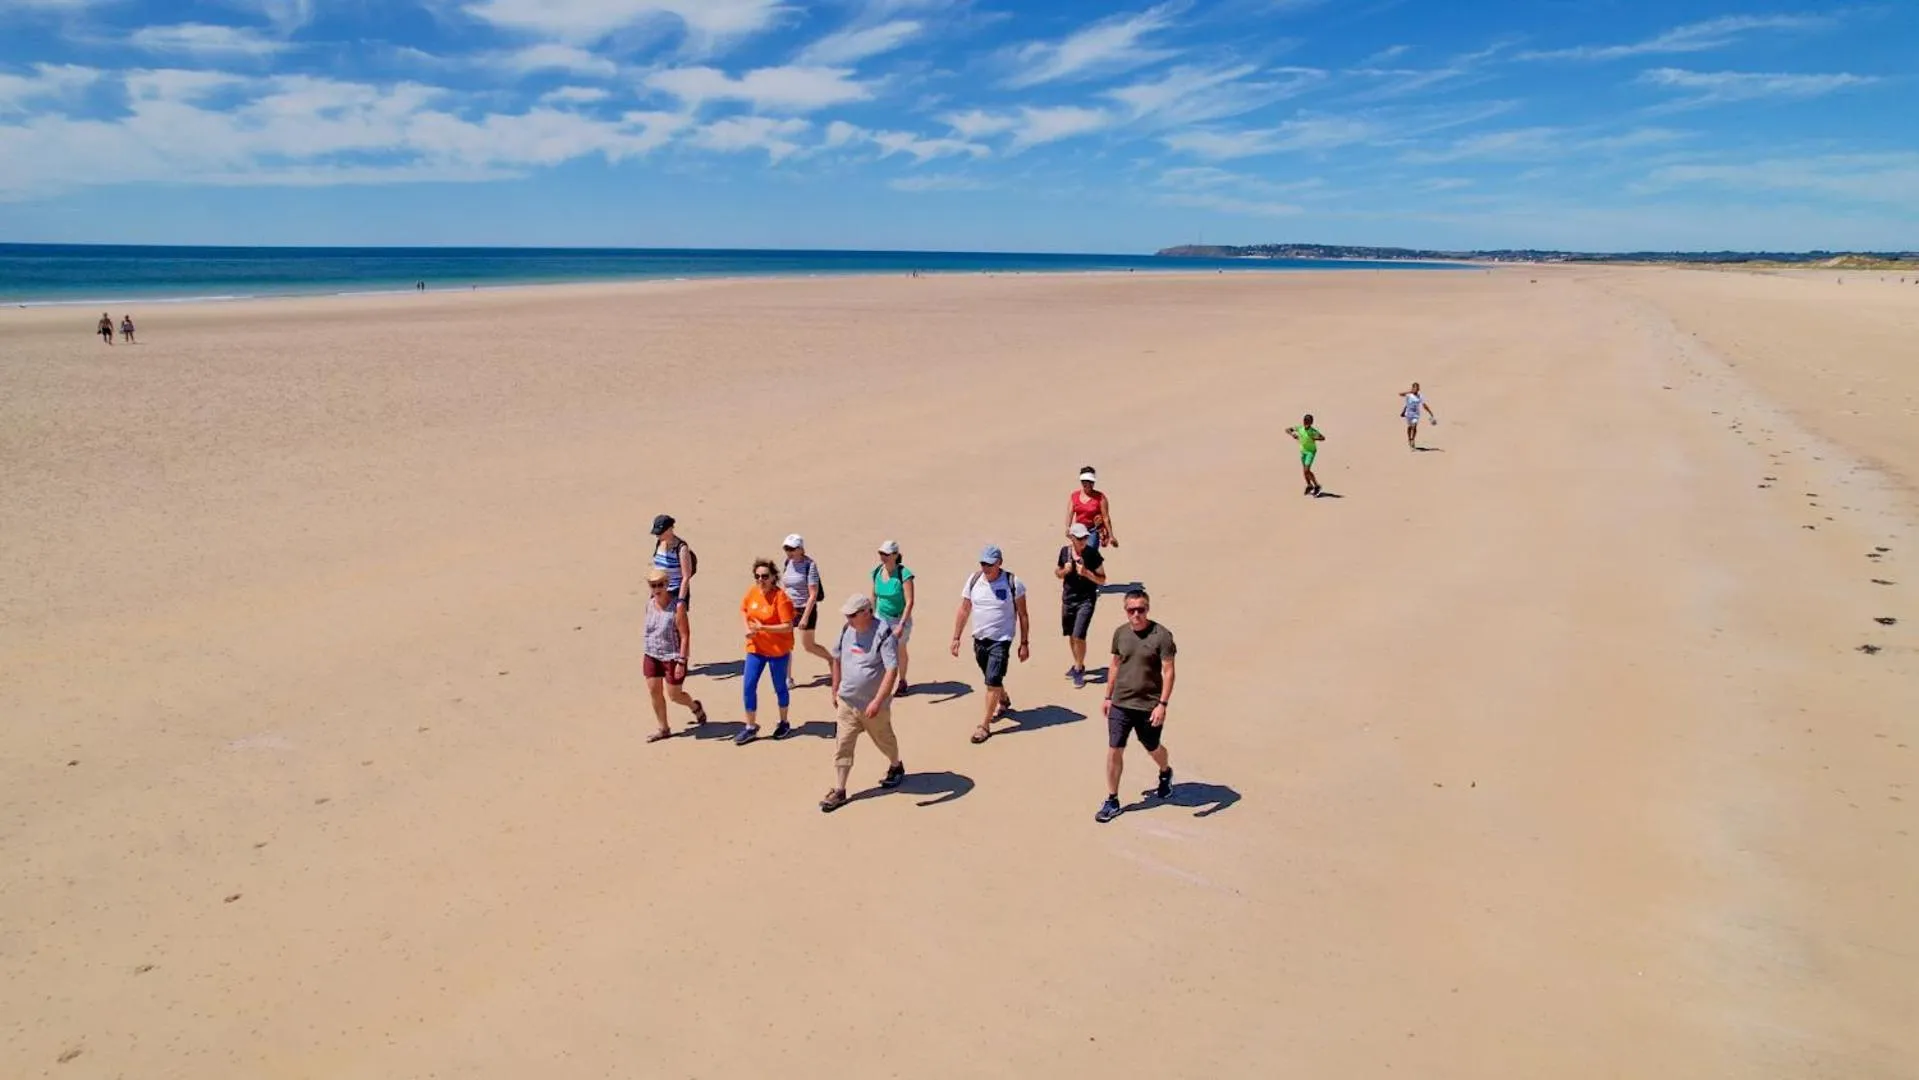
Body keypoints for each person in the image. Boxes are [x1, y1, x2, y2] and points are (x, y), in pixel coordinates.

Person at [1096, 588, 1177, 824]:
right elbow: (1114, 664)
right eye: (1131, 610)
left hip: (1148, 705)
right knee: (1114, 749)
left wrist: (1162, 704)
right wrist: (1108, 696)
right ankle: (1112, 799)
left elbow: (1169, 671)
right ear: (1125, 611)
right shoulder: (1120, 634)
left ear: (1147, 609)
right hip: (1121, 703)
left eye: (1141, 609)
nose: (1136, 614)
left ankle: (1165, 771)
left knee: (1152, 747)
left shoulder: (1161, 636)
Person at [820, 594, 905, 812]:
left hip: (873, 706)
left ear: (866, 612)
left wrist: (878, 701)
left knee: (884, 739)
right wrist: (835, 688)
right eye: (847, 615)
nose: (848, 619)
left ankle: (895, 766)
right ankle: (839, 790)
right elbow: (836, 659)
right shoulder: (846, 630)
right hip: (847, 702)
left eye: (852, 615)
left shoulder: (883, 633)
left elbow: (891, 670)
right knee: (843, 745)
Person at [950, 545, 1029, 744]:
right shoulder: (974, 580)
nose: (986, 568)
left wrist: (1024, 642)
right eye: (983, 563)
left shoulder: (1013, 583)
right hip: (979, 639)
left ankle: (984, 725)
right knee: (990, 676)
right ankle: (1003, 698)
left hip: (1001, 640)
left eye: (990, 564)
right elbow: (964, 609)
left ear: (999, 563)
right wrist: (956, 637)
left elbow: (1023, 615)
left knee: (992, 680)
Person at [642, 568, 707, 742]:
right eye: (653, 586)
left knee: (674, 695)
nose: (657, 589)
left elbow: (685, 635)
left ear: (667, 584)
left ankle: (694, 706)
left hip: (672, 655)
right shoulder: (649, 604)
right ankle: (663, 728)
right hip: (651, 653)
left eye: (660, 585)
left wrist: (681, 661)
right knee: (654, 691)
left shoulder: (677, 607)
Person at [738, 558, 797, 744]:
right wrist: (748, 629)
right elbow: (744, 610)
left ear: (773, 577)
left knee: (779, 687)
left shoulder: (781, 598)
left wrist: (763, 628)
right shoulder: (752, 592)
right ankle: (750, 726)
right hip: (756, 648)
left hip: (777, 650)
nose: (761, 580)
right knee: (748, 686)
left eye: (765, 576)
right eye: (757, 576)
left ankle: (784, 722)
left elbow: (788, 627)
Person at [1056, 523, 1106, 689]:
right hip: (1068, 599)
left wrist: (1086, 573)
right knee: (1071, 634)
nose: (1083, 541)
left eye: (1085, 537)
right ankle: (1077, 662)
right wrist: (1065, 571)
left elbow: (1102, 579)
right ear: (1071, 538)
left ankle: (1079, 668)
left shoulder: (1092, 554)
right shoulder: (1064, 552)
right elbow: (1057, 572)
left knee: (1079, 634)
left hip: (1086, 599)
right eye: (1080, 538)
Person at [781, 534, 832, 686]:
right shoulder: (787, 562)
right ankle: (787, 678)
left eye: (791, 549)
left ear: (800, 549)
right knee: (786, 644)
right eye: (786, 548)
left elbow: (813, 594)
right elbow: (786, 586)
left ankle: (832, 660)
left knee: (808, 646)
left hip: (805, 608)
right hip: (789, 608)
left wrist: (804, 617)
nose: (788, 552)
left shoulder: (810, 565)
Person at [869, 540, 916, 695]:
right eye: (881, 553)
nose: (883, 557)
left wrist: (902, 624)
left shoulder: (904, 574)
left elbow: (909, 602)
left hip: (899, 619)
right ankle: (882, 683)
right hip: (881, 617)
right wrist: (872, 616)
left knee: (899, 649)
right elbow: (874, 595)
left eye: (886, 554)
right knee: (880, 650)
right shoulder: (877, 572)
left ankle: (902, 681)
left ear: (895, 555)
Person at [650, 515, 696, 609]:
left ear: (670, 529)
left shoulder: (681, 548)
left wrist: (681, 601)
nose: (658, 536)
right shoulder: (659, 543)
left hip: (673, 594)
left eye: (660, 533)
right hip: (658, 592)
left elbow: (686, 576)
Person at [1065, 468, 1118, 550]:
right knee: (1080, 554)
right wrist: (1068, 528)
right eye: (1084, 482)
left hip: (1093, 530)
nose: (1088, 484)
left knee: (1089, 551)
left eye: (1091, 482)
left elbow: (1106, 517)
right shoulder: (1074, 496)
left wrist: (1111, 536)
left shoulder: (1100, 497)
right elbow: (1069, 514)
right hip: (1079, 531)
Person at [1285, 414, 1326, 496]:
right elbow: (1287, 429)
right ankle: (1309, 485)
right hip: (1303, 451)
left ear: (1311, 422)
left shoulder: (1313, 431)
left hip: (1311, 452)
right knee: (1305, 471)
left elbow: (1323, 438)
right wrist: (1292, 434)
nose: (1306, 423)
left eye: (1308, 421)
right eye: (1305, 421)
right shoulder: (1300, 428)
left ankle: (1317, 485)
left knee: (1306, 470)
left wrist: (1315, 438)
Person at [1398, 382, 1437, 450]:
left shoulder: (1420, 396)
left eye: (1417, 388)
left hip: (1416, 414)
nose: (1416, 389)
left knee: (1414, 426)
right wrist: (1410, 391)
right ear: (1413, 388)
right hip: (1408, 414)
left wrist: (1430, 412)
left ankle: (1413, 440)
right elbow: (1400, 394)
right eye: (1415, 388)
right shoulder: (1409, 395)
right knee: (1409, 427)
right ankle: (1409, 439)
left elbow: (1424, 405)